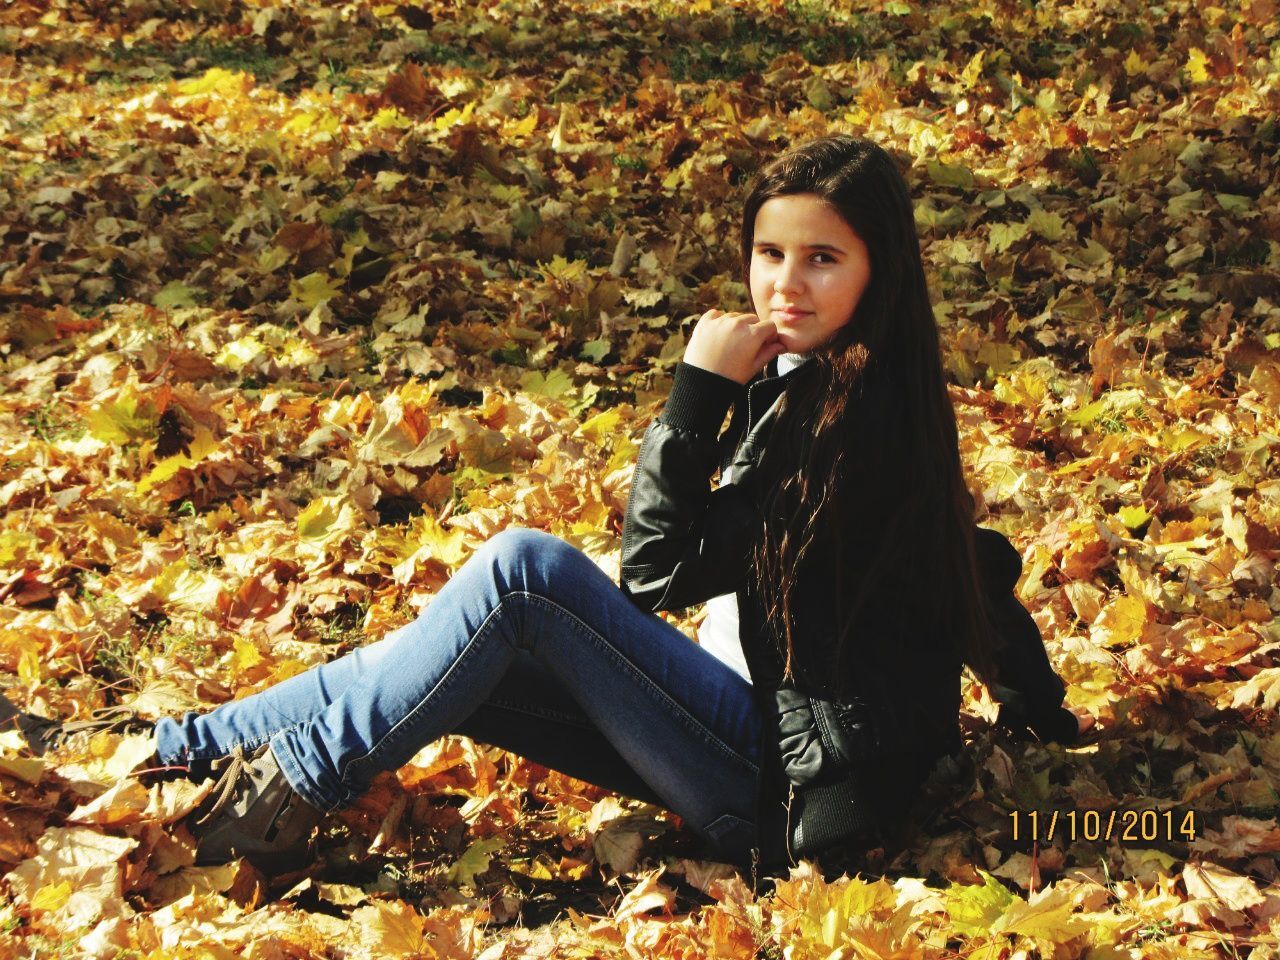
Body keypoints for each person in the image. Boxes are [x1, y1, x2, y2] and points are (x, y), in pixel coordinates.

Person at [0, 135, 1091, 877]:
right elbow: (975, 559)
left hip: (775, 793)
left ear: (876, 273)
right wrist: (1039, 713)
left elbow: (655, 577)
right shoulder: (865, 390)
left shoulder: (844, 429)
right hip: (771, 746)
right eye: (768, 254)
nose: (782, 286)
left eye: (819, 260)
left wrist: (695, 395)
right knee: (450, 651)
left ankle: (270, 783)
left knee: (523, 572)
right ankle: (163, 751)